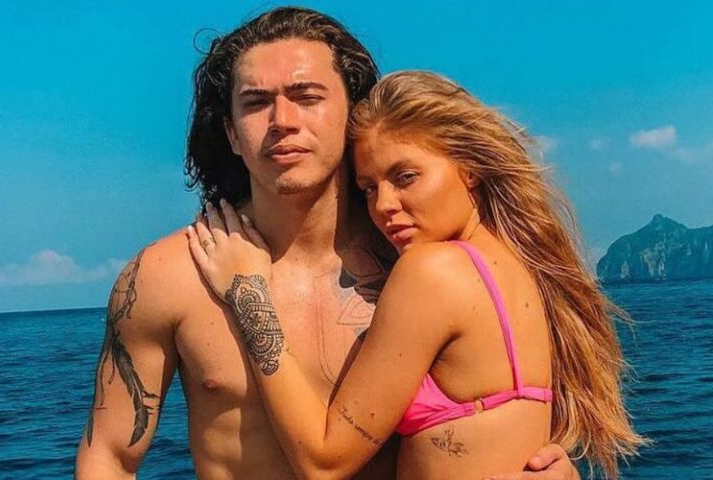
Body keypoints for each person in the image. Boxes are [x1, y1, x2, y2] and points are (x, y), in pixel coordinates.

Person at [76, 8, 580, 479]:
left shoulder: (413, 259)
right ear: (231, 133)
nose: (282, 121)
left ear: (350, 114)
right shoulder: (168, 276)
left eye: (307, 96)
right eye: (256, 103)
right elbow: (110, 456)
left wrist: (557, 464)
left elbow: (503, 412)